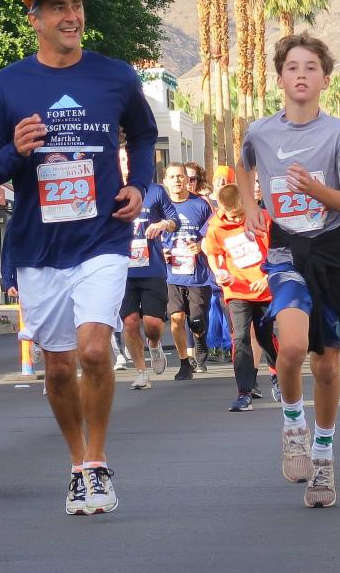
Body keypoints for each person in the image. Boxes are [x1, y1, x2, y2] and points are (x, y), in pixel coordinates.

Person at [0, 0, 157, 516]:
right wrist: (18, 150)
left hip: (103, 235)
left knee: (96, 350)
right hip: (37, 246)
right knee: (56, 366)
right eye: (58, 8)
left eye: (77, 7)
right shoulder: (7, 85)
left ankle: (98, 465)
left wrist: (139, 186)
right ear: (35, 20)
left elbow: (144, 134)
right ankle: (77, 465)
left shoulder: (115, 76)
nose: (72, 16)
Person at [236, 31, 340, 509]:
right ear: (279, 78)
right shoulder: (261, 131)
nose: (301, 75)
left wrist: (315, 189)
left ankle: (324, 458)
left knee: (327, 364)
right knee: (290, 345)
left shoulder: (339, 134)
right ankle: (293, 423)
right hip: (286, 248)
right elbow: (244, 163)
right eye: (293, 67)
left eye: (311, 67)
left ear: (325, 79)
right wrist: (251, 205)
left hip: (330, 248)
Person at [202, 184, 279, 411]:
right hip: (236, 290)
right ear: (222, 209)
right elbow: (213, 253)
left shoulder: (262, 218)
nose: (236, 219)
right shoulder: (216, 227)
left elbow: (278, 251)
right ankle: (244, 392)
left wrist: (267, 277)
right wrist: (218, 273)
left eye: (240, 214)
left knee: (265, 336)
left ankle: (277, 376)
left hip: (263, 287)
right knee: (241, 337)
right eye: (232, 215)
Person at [119, 165, 178, 389]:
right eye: (121, 160)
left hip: (151, 267)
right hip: (122, 270)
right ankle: (141, 372)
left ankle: (154, 344)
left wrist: (163, 224)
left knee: (153, 324)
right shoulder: (109, 190)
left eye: (128, 160)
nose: (125, 166)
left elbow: (174, 220)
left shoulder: (155, 191)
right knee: (130, 322)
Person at [162, 163, 214, 379]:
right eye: (172, 177)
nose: (177, 181)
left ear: (187, 180)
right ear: (165, 181)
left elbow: (214, 233)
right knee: (176, 317)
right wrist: (161, 251)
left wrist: (201, 245)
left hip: (197, 274)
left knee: (197, 320)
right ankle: (184, 362)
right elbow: (148, 235)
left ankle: (200, 338)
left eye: (181, 176)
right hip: (170, 273)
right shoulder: (160, 206)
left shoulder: (200, 204)